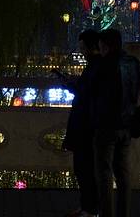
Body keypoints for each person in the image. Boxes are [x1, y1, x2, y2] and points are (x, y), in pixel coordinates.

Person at [91, 28, 140, 217]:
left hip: (106, 125)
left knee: (104, 173)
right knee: (123, 173)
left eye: (101, 46)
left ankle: (107, 214)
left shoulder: (104, 64)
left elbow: (92, 90)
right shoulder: (134, 63)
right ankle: (124, 213)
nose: (100, 50)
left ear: (106, 45)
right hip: (127, 124)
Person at [59, 29, 102, 217]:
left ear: (91, 47)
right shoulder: (96, 66)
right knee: (84, 169)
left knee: (85, 169)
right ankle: (87, 206)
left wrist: (70, 85)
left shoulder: (95, 66)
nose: (81, 51)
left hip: (86, 126)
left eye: (83, 47)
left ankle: (90, 208)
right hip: (87, 125)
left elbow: (86, 93)